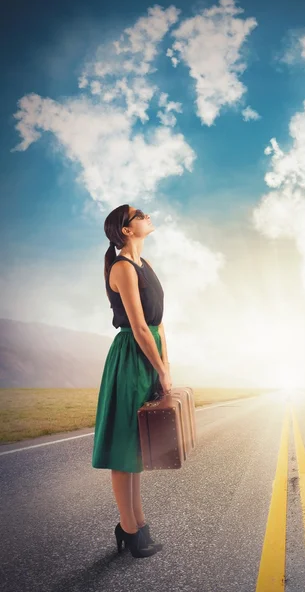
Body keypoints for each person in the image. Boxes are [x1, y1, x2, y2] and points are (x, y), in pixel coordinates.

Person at [92, 204, 173, 559]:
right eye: (139, 213)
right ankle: (129, 529)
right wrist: (160, 369)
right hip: (131, 356)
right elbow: (139, 327)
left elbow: (158, 323)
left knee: (138, 447)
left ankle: (137, 524)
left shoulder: (147, 265)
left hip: (149, 352)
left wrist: (165, 363)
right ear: (127, 230)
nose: (147, 215)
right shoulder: (123, 268)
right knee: (126, 446)